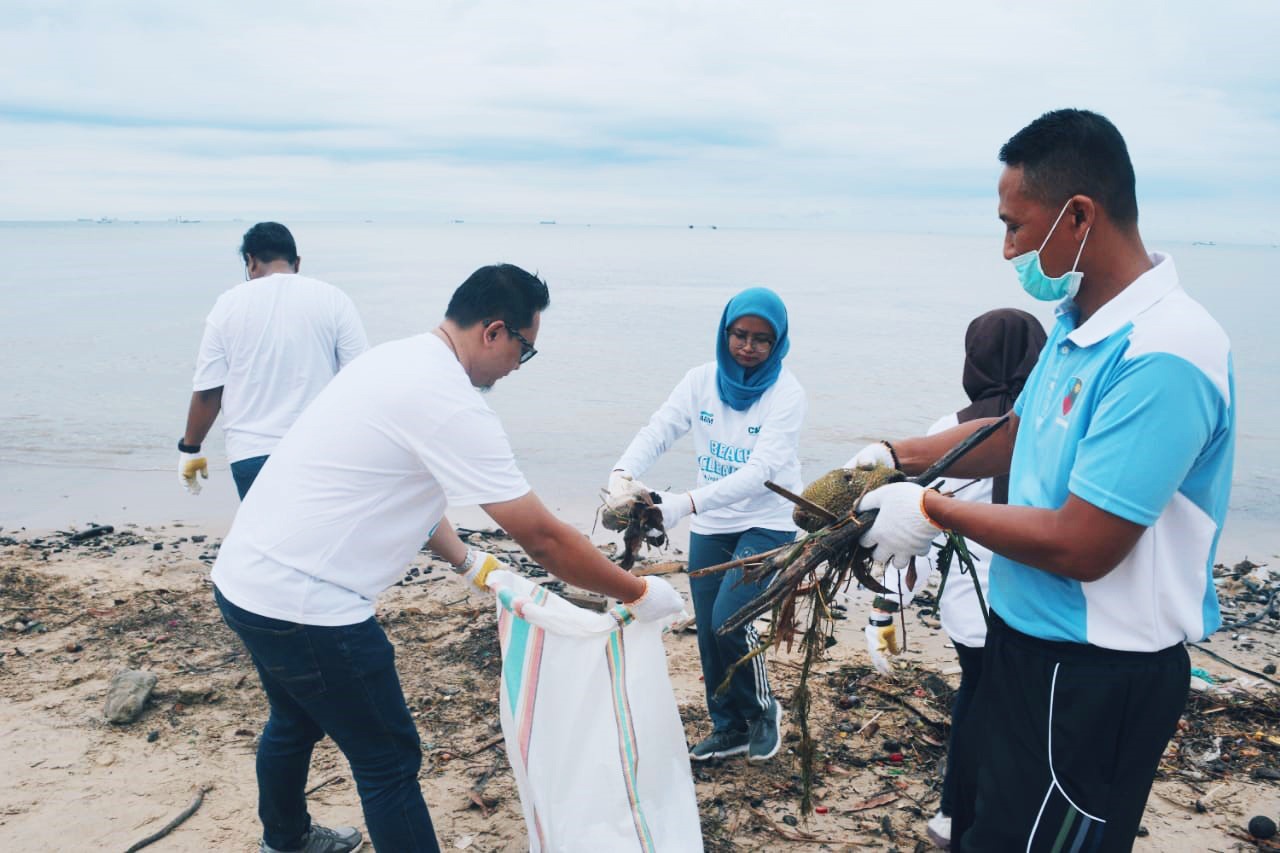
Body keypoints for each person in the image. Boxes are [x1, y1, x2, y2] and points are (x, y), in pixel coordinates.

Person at [850, 110, 1235, 851]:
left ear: (1079, 216)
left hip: (1097, 677)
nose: (1006, 250)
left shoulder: (1167, 349)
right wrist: (893, 455)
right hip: (1022, 649)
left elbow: (1084, 543)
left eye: (1014, 226)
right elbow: (1016, 435)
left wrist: (929, 509)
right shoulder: (1075, 321)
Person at [211, 264, 685, 853]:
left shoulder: (394, 361)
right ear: (494, 332)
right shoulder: (449, 402)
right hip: (308, 607)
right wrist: (637, 593)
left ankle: (284, 841)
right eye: (525, 350)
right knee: (388, 759)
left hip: (242, 582)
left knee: (296, 718)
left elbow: (407, 486)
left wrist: (467, 562)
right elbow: (544, 538)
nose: (518, 367)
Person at [857, 308, 1047, 849]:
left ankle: (954, 814)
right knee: (1021, 719)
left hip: (972, 611)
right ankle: (1007, 816)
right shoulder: (1051, 427)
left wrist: (884, 610)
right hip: (1039, 606)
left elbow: (916, 529)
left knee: (977, 705)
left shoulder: (949, 432)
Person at [605, 287, 805, 764]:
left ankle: (762, 711)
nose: (749, 346)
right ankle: (728, 726)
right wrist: (621, 475)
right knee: (710, 635)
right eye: (740, 335)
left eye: (761, 339)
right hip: (712, 522)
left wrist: (682, 505)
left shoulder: (787, 394)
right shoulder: (700, 382)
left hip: (768, 522)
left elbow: (760, 474)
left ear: (777, 344)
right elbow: (659, 429)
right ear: (725, 332)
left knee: (729, 620)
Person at [178, 222, 368, 499]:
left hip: (251, 454)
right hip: (320, 449)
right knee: (319, 538)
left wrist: (190, 449)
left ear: (250, 262)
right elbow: (360, 380)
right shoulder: (334, 299)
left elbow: (209, 390)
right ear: (297, 262)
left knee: (267, 539)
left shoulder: (228, 305)